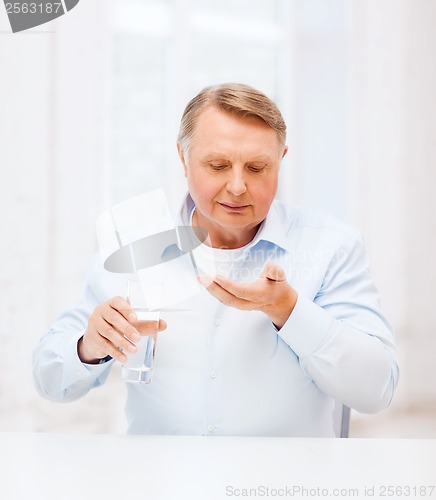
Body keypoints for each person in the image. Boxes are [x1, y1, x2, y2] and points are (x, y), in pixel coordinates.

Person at [33, 83, 399, 436]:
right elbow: (49, 380)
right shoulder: (132, 248)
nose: (238, 186)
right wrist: (88, 347)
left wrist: (289, 311)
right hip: (159, 486)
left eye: (257, 168)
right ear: (183, 157)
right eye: (218, 165)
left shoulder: (331, 247)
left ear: (281, 159)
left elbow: (376, 390)